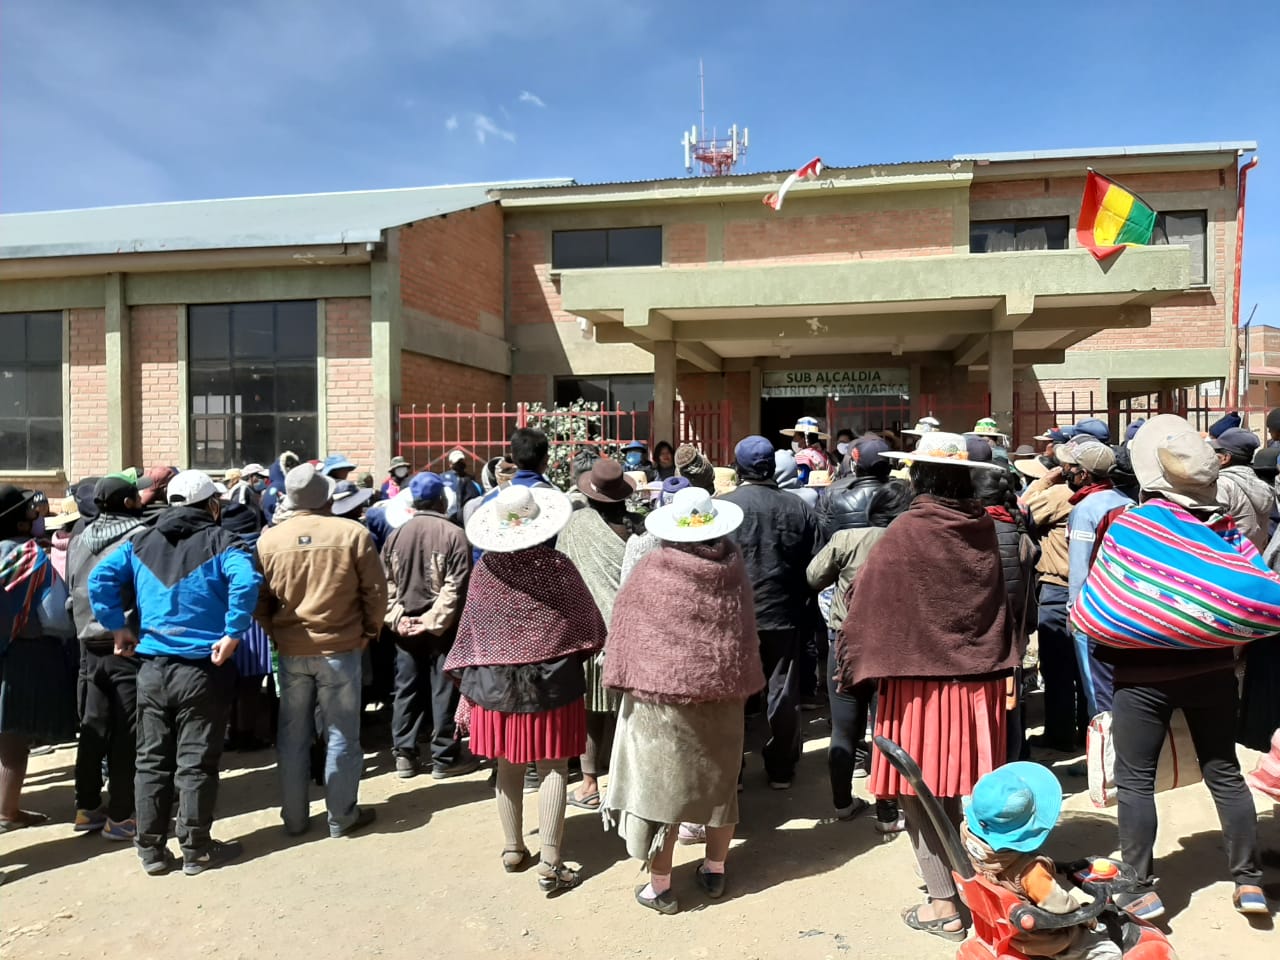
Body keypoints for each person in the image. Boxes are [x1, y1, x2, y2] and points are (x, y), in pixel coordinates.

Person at [838, 432, 1017, 942]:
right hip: (976, 680)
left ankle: (945, 904)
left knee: (920, 794)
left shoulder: (908, 531)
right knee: (970, 792)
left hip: (919, 684)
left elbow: (868, 601)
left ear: (920, 476)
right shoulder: (980, 525)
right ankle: (981, 887)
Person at [1095, 415, 1267, 920]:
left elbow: (1105, 596)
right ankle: (1248, 882)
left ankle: (1139, 885)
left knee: (1135, 780)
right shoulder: (1228, 534)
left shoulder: (1132, 525)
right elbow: (1251, 593)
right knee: (1225, 772)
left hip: (1142, 679)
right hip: (1212, 673)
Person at [89, 470, 261, 876]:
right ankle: (196, 848)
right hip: (203, 669)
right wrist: (234, 632)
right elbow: (247, 580)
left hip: (150, 667)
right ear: (213, 506)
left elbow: (100, 578)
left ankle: (150, 850)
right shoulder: (224, 540)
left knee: (150, 761)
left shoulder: (141, 541)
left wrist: (118, 626)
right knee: (196, 762)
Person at [603, 487, 762, 914]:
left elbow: (626, 623)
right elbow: (744, 632)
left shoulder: (653, 568)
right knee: (719, 787)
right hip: (724, 695)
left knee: (663, 793)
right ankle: (714, 869)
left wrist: (622, 674)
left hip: (663, 703)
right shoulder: (733, 569)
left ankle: (660, 887)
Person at [445, 484, 604, 893]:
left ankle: (514, 848)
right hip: (553, 681)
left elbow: (474, 631)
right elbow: (589, 625)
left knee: (507, 765)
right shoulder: (558, 567)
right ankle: (551, 858)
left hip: (495, 685)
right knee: (553, 766)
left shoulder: (486, 571)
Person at [255, 463, 386, 838]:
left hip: (293, 650)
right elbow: (375, 593)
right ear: (326, 496)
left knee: (293, 736)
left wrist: (276, 633)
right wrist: (369, 632)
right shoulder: (352, 534)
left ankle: (294, 819)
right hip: (342, 648)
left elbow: (259, 600)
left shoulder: (269, 540)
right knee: (342, 733)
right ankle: (341, 817)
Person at [809, 481, 912, 825]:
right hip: (892, 647)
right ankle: (887, 810)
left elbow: (812, 577)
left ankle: (842, 804)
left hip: (845, 644)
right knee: (887, 727)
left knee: (843, 729)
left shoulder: (846, 540)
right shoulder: (911, 543)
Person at [722, 436, 820, 789]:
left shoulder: (725, 507)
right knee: (782, 692)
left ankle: (732, 771)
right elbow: (816, 563)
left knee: (733, 693)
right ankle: (781, 768)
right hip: (786, 614)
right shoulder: (799, 508)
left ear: (738, 467)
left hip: (735, 616)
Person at [961, 764, 1122, 959]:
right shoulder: (1031, 871)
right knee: (1109, 951)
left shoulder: (970, 842)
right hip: (1040, 940)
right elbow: (1061, 907)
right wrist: (1089, 918)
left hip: (1002, 930)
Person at [65, 473, 149, 839]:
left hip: (88, 643)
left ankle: (86, 807)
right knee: (127, 732)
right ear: (129, 502)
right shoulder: (139, 537)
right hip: (125, 641)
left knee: (93, 726)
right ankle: (121, 814)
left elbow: (71, 587)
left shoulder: (78, 538)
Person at [382, 472, 479, 780]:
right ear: (441, 500)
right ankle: (444, 757)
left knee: (406, 689)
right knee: (444, 690)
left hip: (405, 628)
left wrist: (399, 618)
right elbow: (454, 588)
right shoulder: (454, 534)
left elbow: (384, 584)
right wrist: (430, 621)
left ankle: (405, 756)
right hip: (442, 629)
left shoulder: (395, 535)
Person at [557, 459, 636, 810]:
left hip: (588, 633)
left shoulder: (574, 525)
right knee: (628, 714)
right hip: (630, 635)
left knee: (591, 711)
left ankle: (589, 784)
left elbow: (561, 571)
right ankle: (626, 785)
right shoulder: (639, 530)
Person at [0, 485, 76, 833]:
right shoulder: (29, 557)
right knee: (13, 739)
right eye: (32, 514)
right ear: (19, 524)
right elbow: (57, 617)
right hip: (20, 658)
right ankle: (6, 811)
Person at [1059, 438, 1131, 717]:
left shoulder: (1086, 509)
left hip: (1093, 610)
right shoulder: (1127, 502)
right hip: (1124, 606)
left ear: (1084, 474)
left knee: (1096, 692)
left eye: (1070, 466)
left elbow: (1079, 567)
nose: (1065, 470)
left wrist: (1073, 612)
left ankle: (1103, 755)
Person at [1021, 455, 1085, 753]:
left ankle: (1060, 735)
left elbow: (1022, 512)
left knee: (1058, 668)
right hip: (1092, 589)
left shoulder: (1059, 494)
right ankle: (1089, 733)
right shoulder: (1112, 496)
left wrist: (1041, 484)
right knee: (1085, 668)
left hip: (1058, 589)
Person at [818, 436, 891, 540]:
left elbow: (824, 536)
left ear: (854, 466)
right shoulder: (901, 496)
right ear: (889, 468)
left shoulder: (834, 496)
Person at [1212, 427, 1272, 552]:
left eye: (1214, 453)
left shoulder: (1222, 484)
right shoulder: (1261, 484)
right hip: (1254, 559)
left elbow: (1212, 526)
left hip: (1229, 558)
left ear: (1224, 458)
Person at [443, 450, 483, 521]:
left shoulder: (470, 479)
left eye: (461, 461)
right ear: (450, 463)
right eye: (457, 462)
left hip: (466, 516)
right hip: (449, 516)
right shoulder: (443, 478)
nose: (460, 464)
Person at [262, 451, 301, 525]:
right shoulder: (278, 487)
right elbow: (271, 506)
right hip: (280, 525)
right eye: (289, 466)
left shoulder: (280, 485)